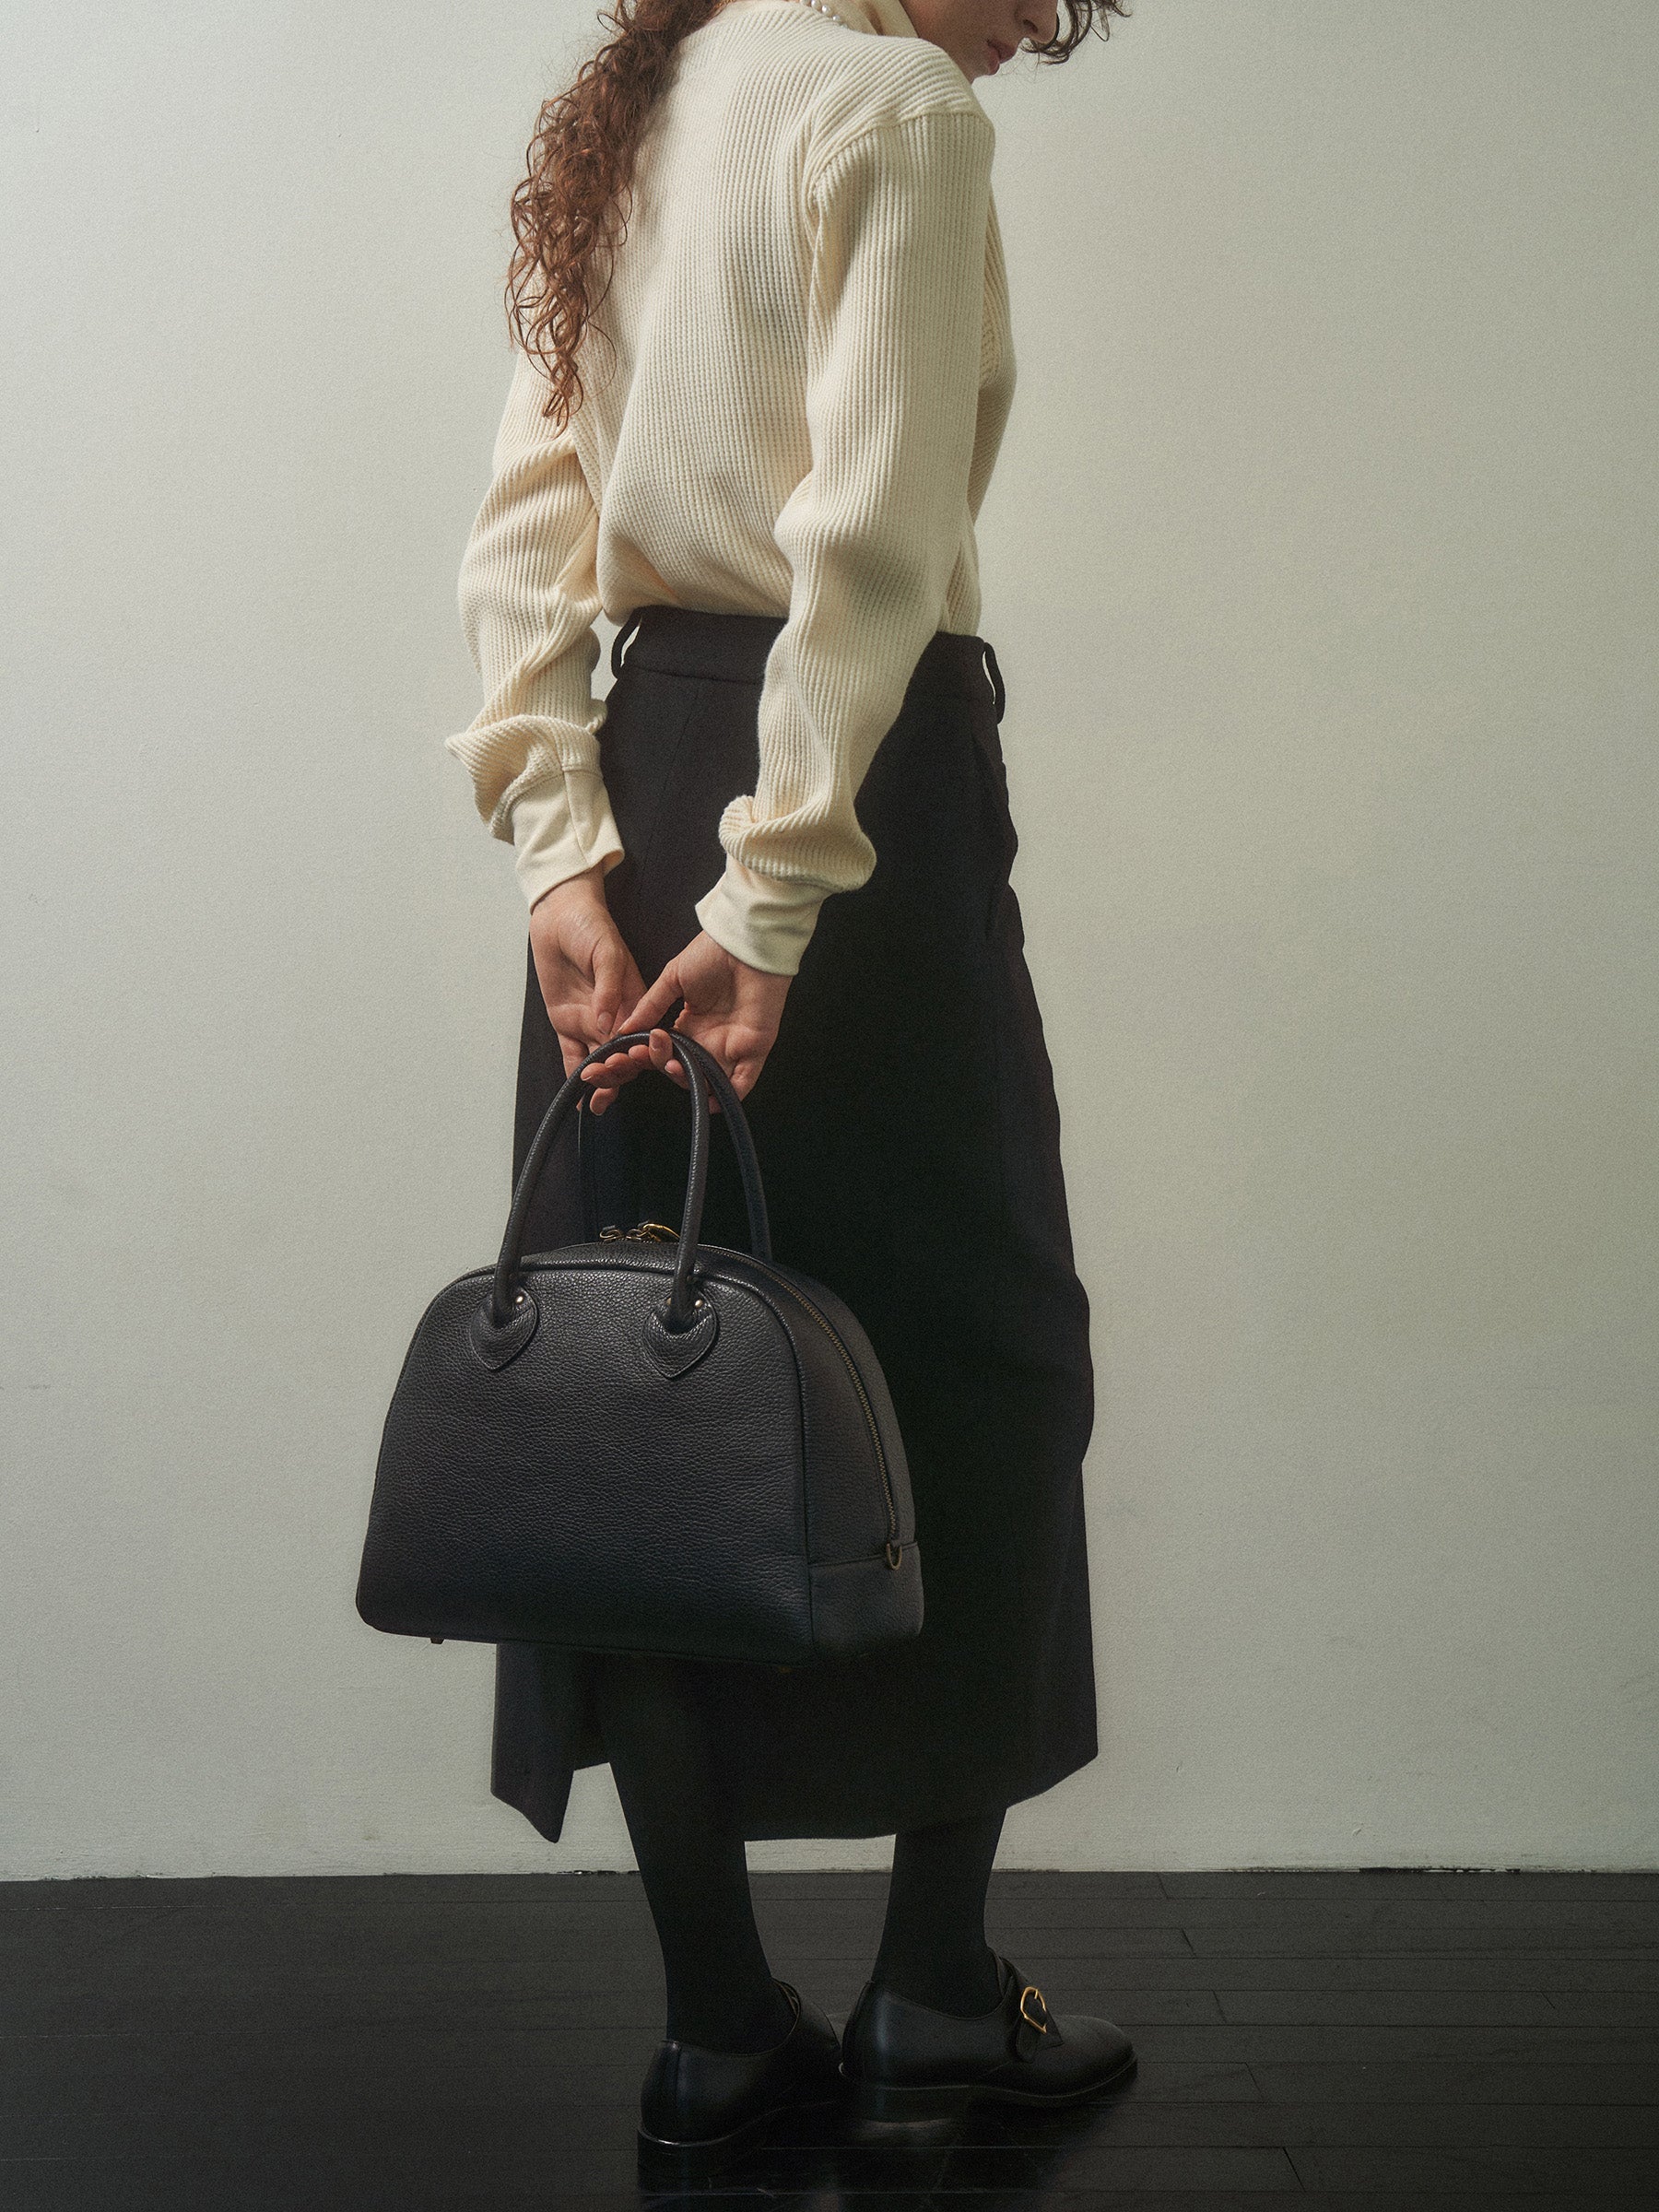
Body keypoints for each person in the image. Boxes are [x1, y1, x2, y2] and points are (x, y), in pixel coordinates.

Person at [447, 0, 1135, 2176]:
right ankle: (932, 1991)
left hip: (647, 769)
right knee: (981, 1362)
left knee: (644, 1386)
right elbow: (873, 544)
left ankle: (718, 2031)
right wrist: (780, 896)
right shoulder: (891, 106)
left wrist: (560, 844)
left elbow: (533, 506)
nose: (1029, 36)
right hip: (844, 802)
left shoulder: (652, 104)